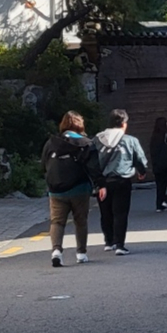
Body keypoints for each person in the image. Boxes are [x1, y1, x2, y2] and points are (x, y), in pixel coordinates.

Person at [91, 109, 148, 256]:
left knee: (105, 212)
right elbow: (140, 159)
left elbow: (91, 161)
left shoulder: (97, 139)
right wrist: (142, 172)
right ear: (123, 124)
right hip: (122, 180)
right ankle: (120, 245)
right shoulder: (130, 140)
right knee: (120, 213)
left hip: (102, 181)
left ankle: (108, 241)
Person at [41, 111, 92, 267]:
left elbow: (43, 165)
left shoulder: (51, 143)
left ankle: (56, 251)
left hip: (56, 190)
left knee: (57, 222)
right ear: (79, 125)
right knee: (80, 221)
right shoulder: (84, 142)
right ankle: (81, 253)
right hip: (79, 189)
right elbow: (92, 166)